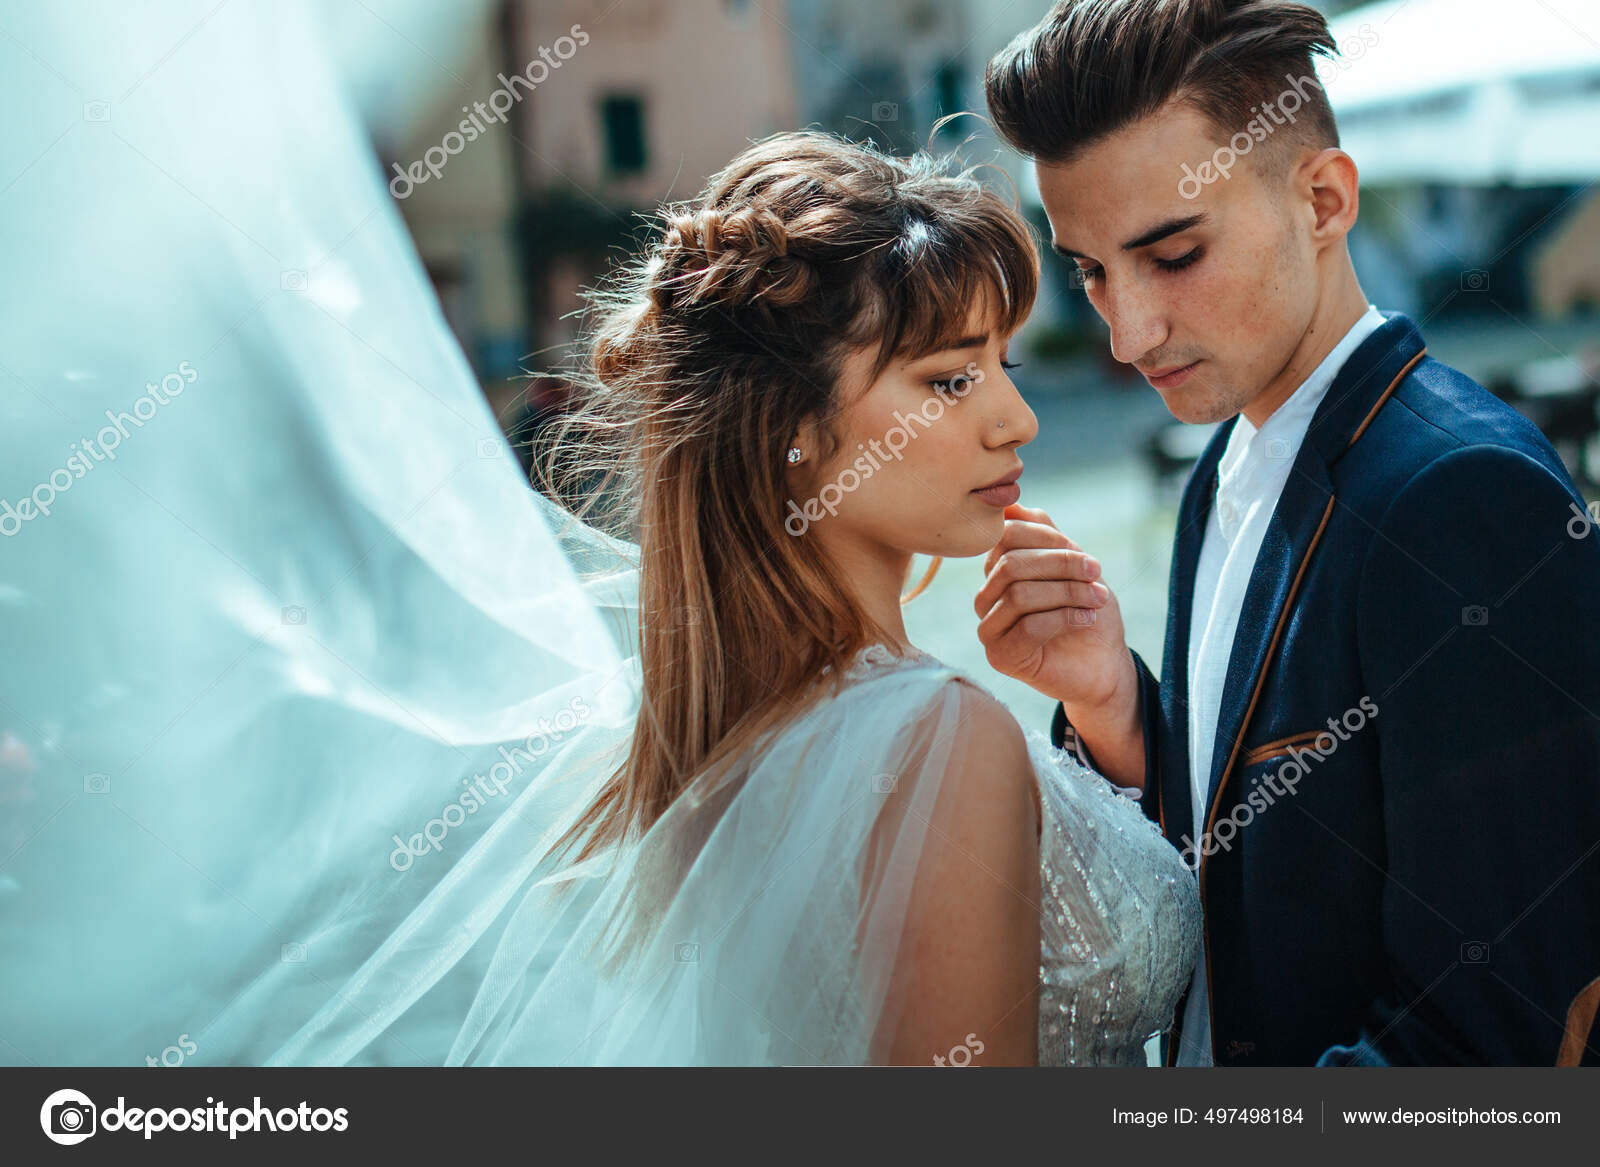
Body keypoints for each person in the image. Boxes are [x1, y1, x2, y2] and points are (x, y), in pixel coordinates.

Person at [0, 0, 1197, 1065]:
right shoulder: (935, 737)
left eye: (997, 363)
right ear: (791, 429)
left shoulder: (702, 750)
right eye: (946, 379)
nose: (1016, 417)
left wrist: (1104, 717)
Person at [977, 0, 1600, 1065]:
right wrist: (1115, 705)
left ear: (1321, 198)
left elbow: (1492, 1034)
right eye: (1088, 270)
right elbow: (1263, 858)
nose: (1128, 333)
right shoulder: (1217, 468)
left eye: (1172, 255)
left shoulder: (1463, 497)